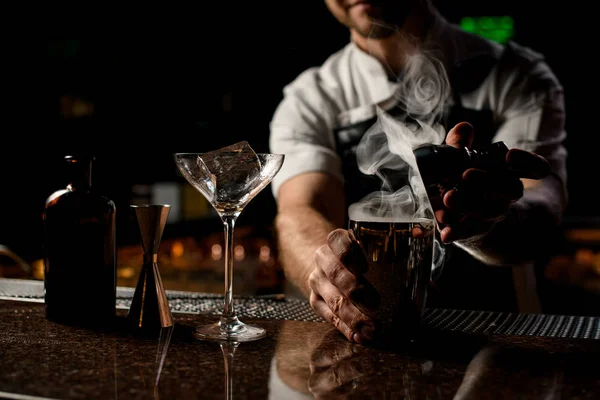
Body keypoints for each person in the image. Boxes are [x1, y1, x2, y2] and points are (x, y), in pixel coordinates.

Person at [268, 0, 567, 344]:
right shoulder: (310, 97)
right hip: (369, 345)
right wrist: (324, 271)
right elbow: (301, 209)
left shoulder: (517, 75)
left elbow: (541, 201)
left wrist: (485, 220)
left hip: (504, 343)